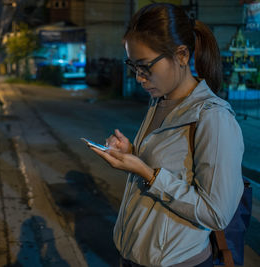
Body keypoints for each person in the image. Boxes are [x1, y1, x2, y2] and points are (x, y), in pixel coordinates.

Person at [89, 3, 244, 267]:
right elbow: (168, 166)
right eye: (133, 65)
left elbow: (216, 214)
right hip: (134, 256)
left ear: (182, 55)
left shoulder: (213, 118)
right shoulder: (159, 102)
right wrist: (132, 155)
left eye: (145, 66)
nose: (139, 77)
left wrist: (148, 174)